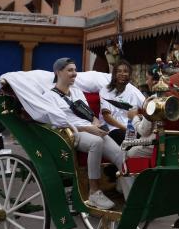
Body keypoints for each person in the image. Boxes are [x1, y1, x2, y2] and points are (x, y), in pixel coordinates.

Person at [43, 58, 125, 210]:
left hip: (91, 129)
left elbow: (89, 114)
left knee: (119, 154)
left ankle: (130, 190)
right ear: (58, 72)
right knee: (96, 142)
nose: (74, 73)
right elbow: (58, 123)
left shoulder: (77, 92)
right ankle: (94, 192)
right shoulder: (49, 96)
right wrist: (88, 129)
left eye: (75, 70)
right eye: (70, 70)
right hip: (73, 133)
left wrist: (95, 123)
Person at [99, 60, 146, 145]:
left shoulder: (132, 91)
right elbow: (107, 117)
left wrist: (140, 118)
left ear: (129, 75)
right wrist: (125, 129)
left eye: (125, 71)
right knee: (131, 139)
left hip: (129, 128)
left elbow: (140, 109)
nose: (122, 74)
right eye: (119, 71)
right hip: (111, 128)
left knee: (147, 137)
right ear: (114, 74)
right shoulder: (105, 90)